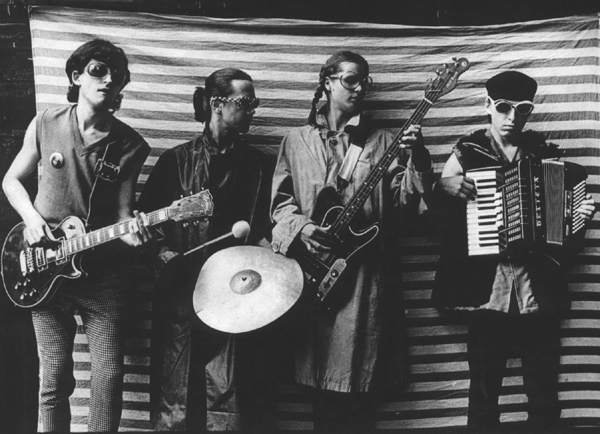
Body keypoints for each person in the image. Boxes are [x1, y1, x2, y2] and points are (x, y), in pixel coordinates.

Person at [270, 50, 433, 433]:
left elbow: (407, 208)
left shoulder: (385, 141)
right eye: (350, 80)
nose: (359, 88)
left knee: (359, 391)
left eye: (364, 81)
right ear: (326, 83)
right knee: (319, 396)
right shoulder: (295, 141)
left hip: (364, 282)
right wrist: (302, 229)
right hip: (313, 278)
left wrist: (418, 157)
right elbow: (279, 205)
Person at [432, 70, 596, 430]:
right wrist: (442, 188)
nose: (511, 117)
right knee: (484, 392)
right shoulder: (466, 154)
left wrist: (579, 218)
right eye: (503, 107)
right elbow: (434, 222)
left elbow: (564, 241)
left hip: (536, 291)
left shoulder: (545, 156)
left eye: (522, 109)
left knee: (543, 391)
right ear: (487, 105)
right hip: (486, 292)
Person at [2, 39, 151, 432]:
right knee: (52, 380)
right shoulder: (45, 123)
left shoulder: (131, 145)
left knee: (109, 377)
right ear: (76, 76)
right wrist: (31, 219)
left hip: (104, 277)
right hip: (43, 271)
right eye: (98, 70)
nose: (108, 80)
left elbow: (123, 215)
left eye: (117, 74)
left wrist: (134, 233)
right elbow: (12, 181)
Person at [139, 68, 277, 432]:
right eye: (245, 102)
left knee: (231, 397)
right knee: (177, 399)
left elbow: (268, 230)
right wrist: (167, 258)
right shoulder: (174, 161)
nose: (252, 110)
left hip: (237, 298)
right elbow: (147, 226)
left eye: (254, 103)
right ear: (217, 104)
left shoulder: (260, 166)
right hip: (181, 297)